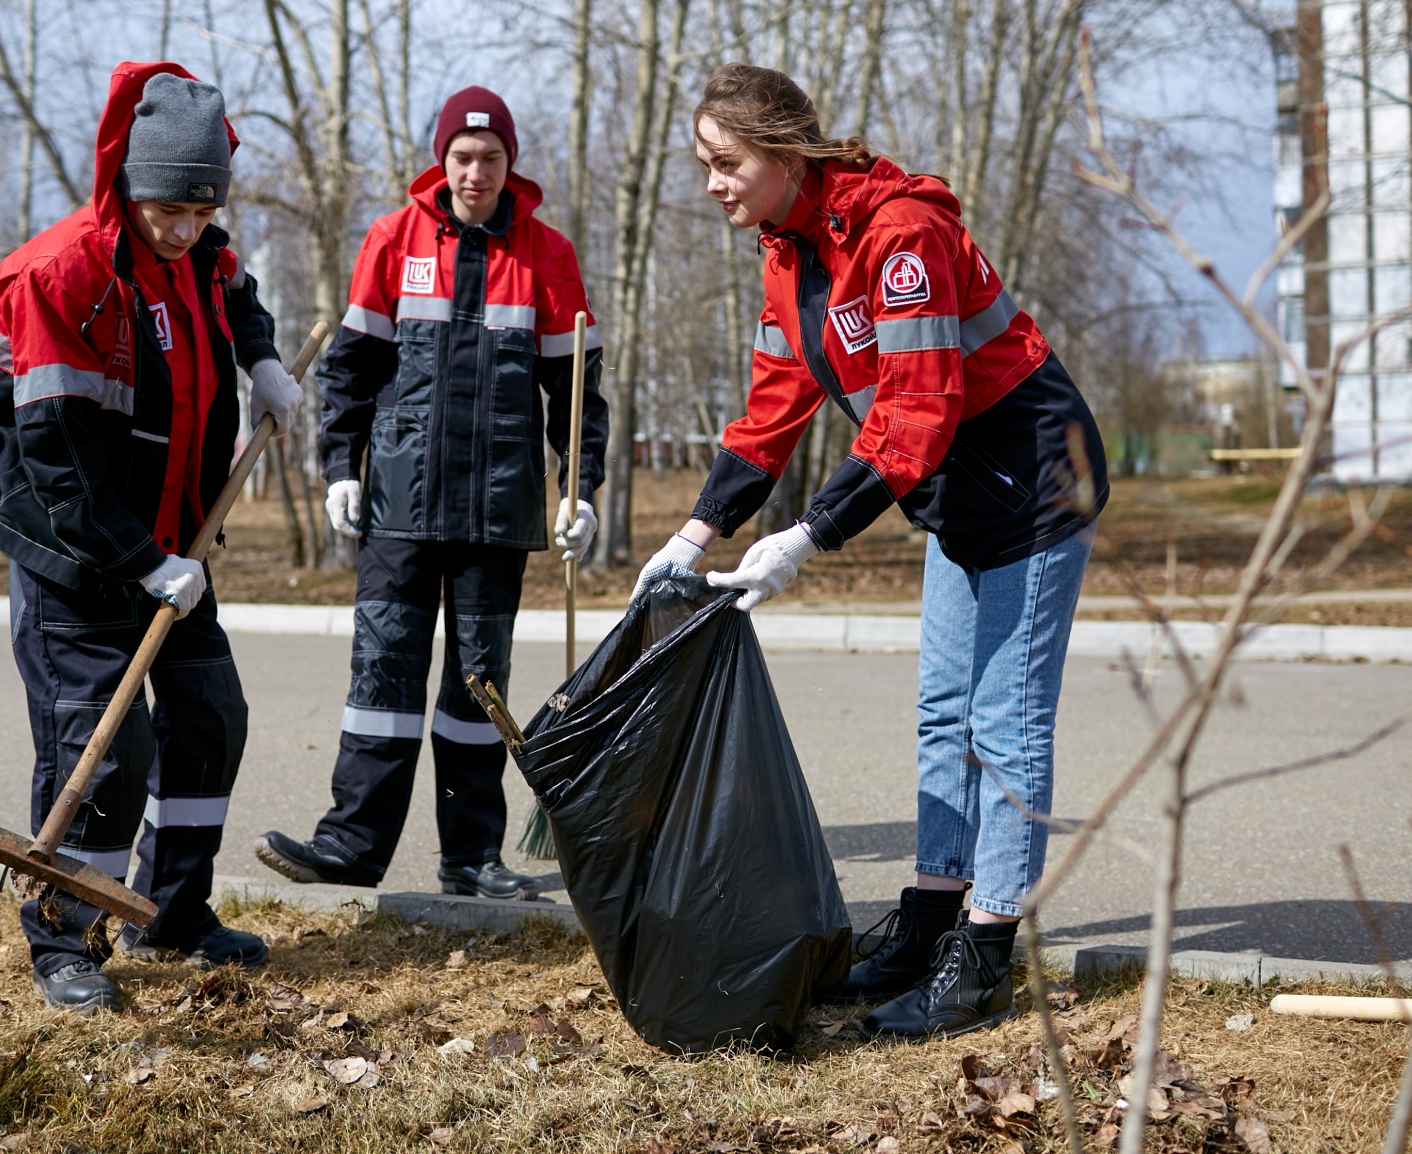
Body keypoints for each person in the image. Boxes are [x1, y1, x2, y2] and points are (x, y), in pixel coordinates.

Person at [635, 64, 1108, 1040]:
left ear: (783, 151)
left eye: (726, 162)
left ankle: (983, 954)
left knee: (1002, 721)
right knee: (943, 712)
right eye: (705, 165)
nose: (714, 181)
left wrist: (808, 534)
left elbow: (918, 406)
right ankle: (932, 915)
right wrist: (696, 530)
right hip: (953, 497)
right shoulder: (786, 255)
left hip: (1035, 482)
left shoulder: (903, 234)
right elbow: (774, 406)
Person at [0, 62, 303, 1012]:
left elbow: (237, 293)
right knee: (105, 749)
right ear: (127, 179)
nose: (186, 229)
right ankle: (65, 938)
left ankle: (170, 908)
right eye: (169, 209)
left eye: (202, 212)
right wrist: (140, 562)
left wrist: (266, 359)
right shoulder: (59, 275)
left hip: (178, 548)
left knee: (209, 720)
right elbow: (55, 459)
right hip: (79, 560)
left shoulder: (203, 251)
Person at [255, 87, 608, 899]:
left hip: (500, 509)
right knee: (381, 676)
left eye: (490, 158)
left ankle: (472, 857)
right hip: (400, 510)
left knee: (477, 690)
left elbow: (579, 389)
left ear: (510, 164)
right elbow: (348, 371)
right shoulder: (393, 239)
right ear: (440, 162)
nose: (476, 171)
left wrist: (580, 490)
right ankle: (349, 845)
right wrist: (340, 467)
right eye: (462, 157)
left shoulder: (547, 256)